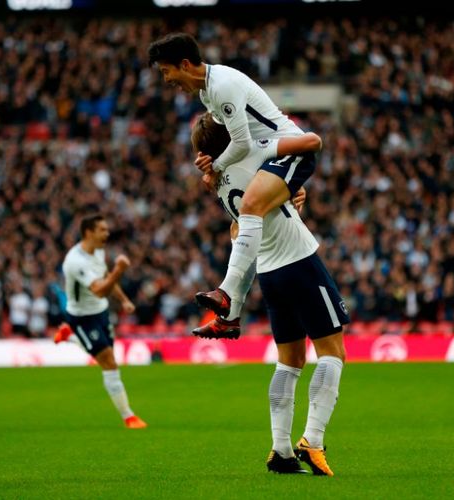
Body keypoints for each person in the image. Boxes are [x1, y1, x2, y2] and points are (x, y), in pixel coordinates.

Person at [191, 113, 348, 475]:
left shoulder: (219, 181)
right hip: (299, 262)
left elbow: (238, 227)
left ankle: (280, 450)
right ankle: (313, 439)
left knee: (289, 362)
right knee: (333, 352)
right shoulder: (250, 160)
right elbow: (304, 145)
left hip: (269, 273)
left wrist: (291, 195)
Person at [149, 33, 317, 338]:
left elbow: (240, 143)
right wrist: (210, 163)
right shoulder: (207, 94)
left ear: (184, 64)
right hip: (264, 158)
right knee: (240, 228)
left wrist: (216, 167)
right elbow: (230, 143)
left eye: (166, 71)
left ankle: (226, 294)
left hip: (287, 150)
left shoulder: (222, 86)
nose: (167, 80)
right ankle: (230, 316)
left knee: (250, 208)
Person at [58, 214, 146, 429]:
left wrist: (124, 299)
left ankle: (69, 336)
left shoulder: (98, 251)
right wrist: (119, 270)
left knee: (107, 356)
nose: (107, 233)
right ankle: (129, 416)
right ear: (88, 232)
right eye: (102, 230)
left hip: (101, 312)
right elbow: (98, 290)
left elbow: (105, 276)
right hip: (81, 317)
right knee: (108, 361)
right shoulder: (75, 262)